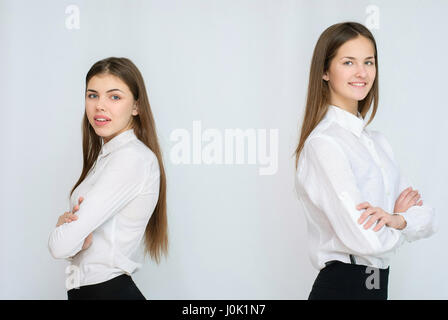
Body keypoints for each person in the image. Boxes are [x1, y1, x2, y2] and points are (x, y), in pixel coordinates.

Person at [294, 22, 437, 300]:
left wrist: (396, 219)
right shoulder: (324, 144)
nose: (362, 72)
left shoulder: (379, 143)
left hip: (375, 287)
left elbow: (428, 218)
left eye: (368, 62)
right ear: (325, 71)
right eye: (348, 62)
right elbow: (365, 239)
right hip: (343, 287)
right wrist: (401, 223)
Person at [48, 57, 168, 300]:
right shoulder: (108, 157)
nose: (100, 106)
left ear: (136, 106)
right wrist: (72, 235)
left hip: (107, 292)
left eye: (114, 97)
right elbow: (72, 245)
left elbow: (59, 246)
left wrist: (63, 231)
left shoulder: (131, 159)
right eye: (93, 95)